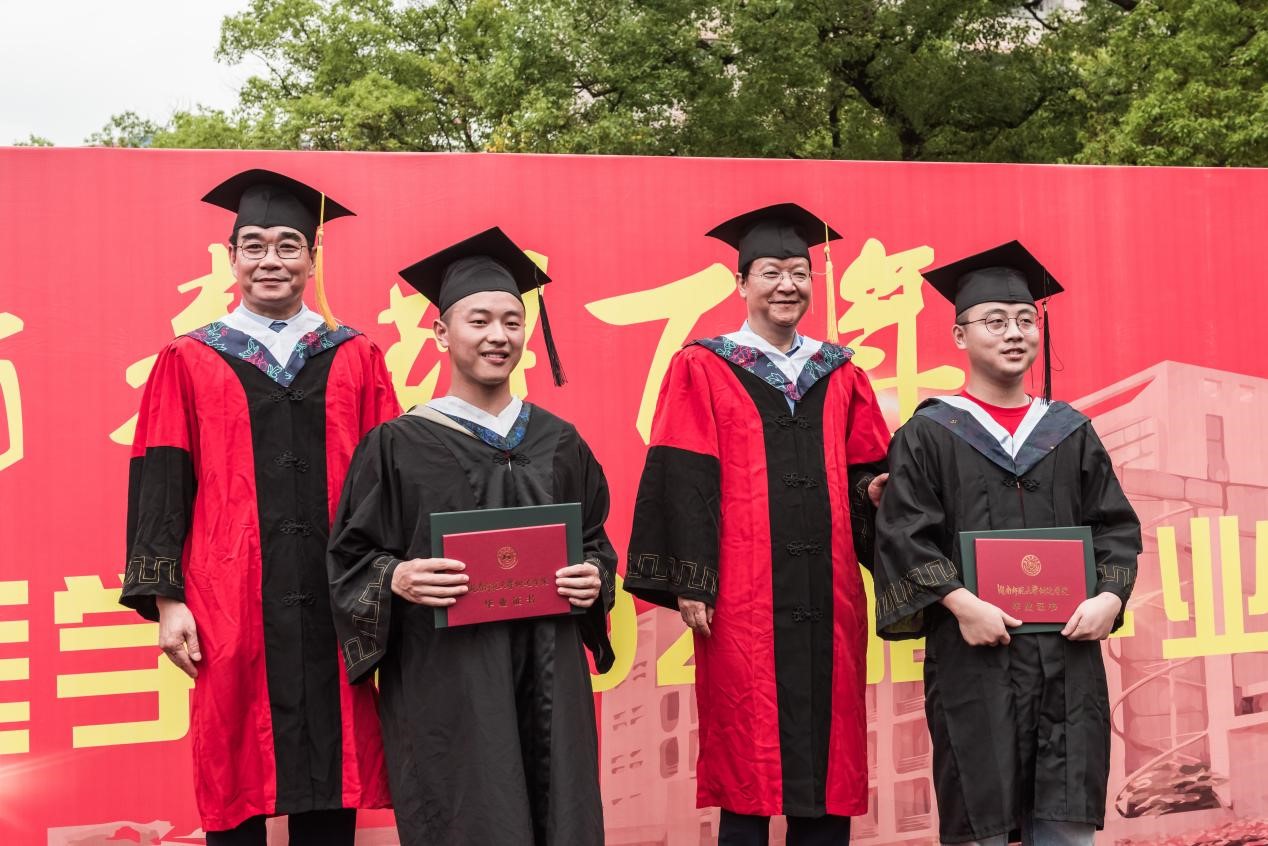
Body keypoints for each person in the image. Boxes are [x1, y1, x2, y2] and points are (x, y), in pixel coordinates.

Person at [120, 168, 398, 845]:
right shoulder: (189, 359)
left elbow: (391, 483)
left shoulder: (357, 356)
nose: (270, 260)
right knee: (234, 774)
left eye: (288, 245)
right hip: (229, 599)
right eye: (254, 246)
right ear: (232, 257)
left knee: (332, 782)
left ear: (312, 258)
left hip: (336, 597)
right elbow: (160, 483)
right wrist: (167, 601)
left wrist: (390, 584)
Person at [326, 226, 617, 846]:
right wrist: (397, 577)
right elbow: (350, 558)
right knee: (469, 815)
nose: (498, 336)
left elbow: (594, 538)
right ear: (441, 333)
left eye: (512, 322)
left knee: (561, 812)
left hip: (551, 671)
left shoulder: (559, 441)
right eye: (478, 321)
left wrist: (594, 576)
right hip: (447, 680)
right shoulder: (397, 445)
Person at [625, 203, 891, 845]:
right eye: (770, 272)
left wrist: (874, 492)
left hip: (830, 593)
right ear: (741, 282)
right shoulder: (704, 365)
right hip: (744, 597)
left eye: (799, 272)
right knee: (747, 754)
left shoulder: (841, 372)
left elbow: (867, 468)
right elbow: (682, 473)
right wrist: (692, 579)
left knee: (828, 761)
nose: (787, 285)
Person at [872, 240, 1142, 846]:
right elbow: (904, 533)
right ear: (960, 335)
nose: (1014, 333)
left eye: (1025, 320)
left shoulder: (1069, 431)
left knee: (1065, 820)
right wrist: (961, 605)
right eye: (994, 321)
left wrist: (1109, 598)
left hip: (1066, 660)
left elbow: (1115, 527)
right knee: (981, 818)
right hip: (974, 657)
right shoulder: (928, 433)